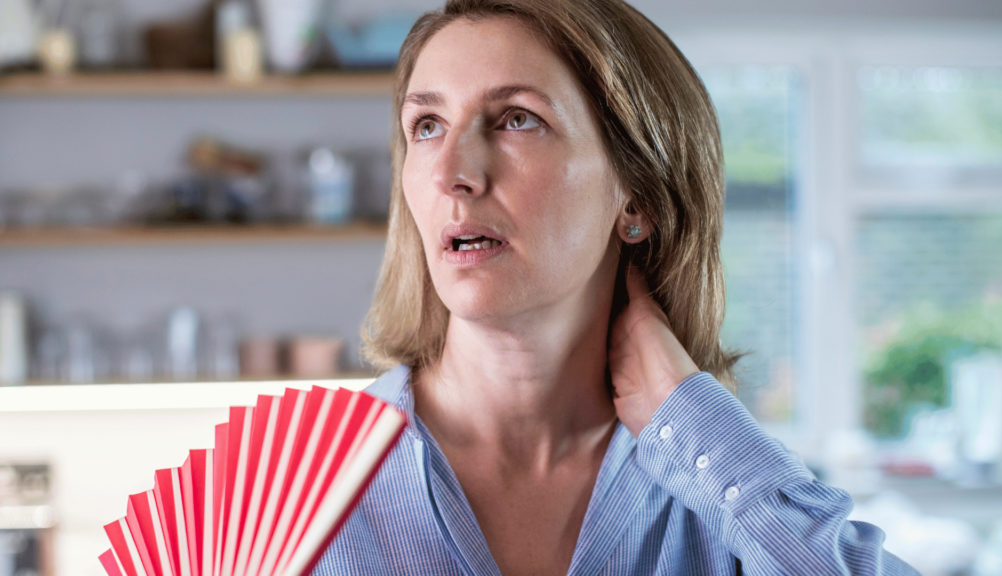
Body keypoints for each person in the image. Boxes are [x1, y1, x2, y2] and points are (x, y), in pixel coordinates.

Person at [313, 0, 920, 573]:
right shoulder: (301, 489)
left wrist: (693, 421)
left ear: (638, 198)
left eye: (516, 119)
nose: (452, 172)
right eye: (426, 126)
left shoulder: (723, 494)